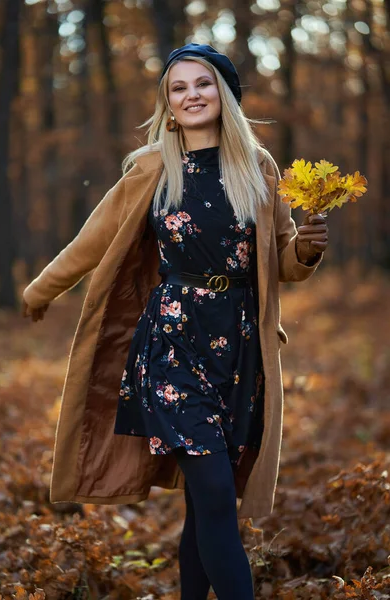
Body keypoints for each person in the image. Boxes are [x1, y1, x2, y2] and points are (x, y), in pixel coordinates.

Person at [22, 43, 328, 600]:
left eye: (202, 84)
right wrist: (41, 289)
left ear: (225, 94)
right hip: (173, 342)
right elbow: (92, 241)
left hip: (238, 348)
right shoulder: (152, 168)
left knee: (205, 499)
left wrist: (304, 249)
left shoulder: (257, 169)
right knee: (212, 489)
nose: (191, 96)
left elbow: (280, 261)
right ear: (167, 101)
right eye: (179, 88)